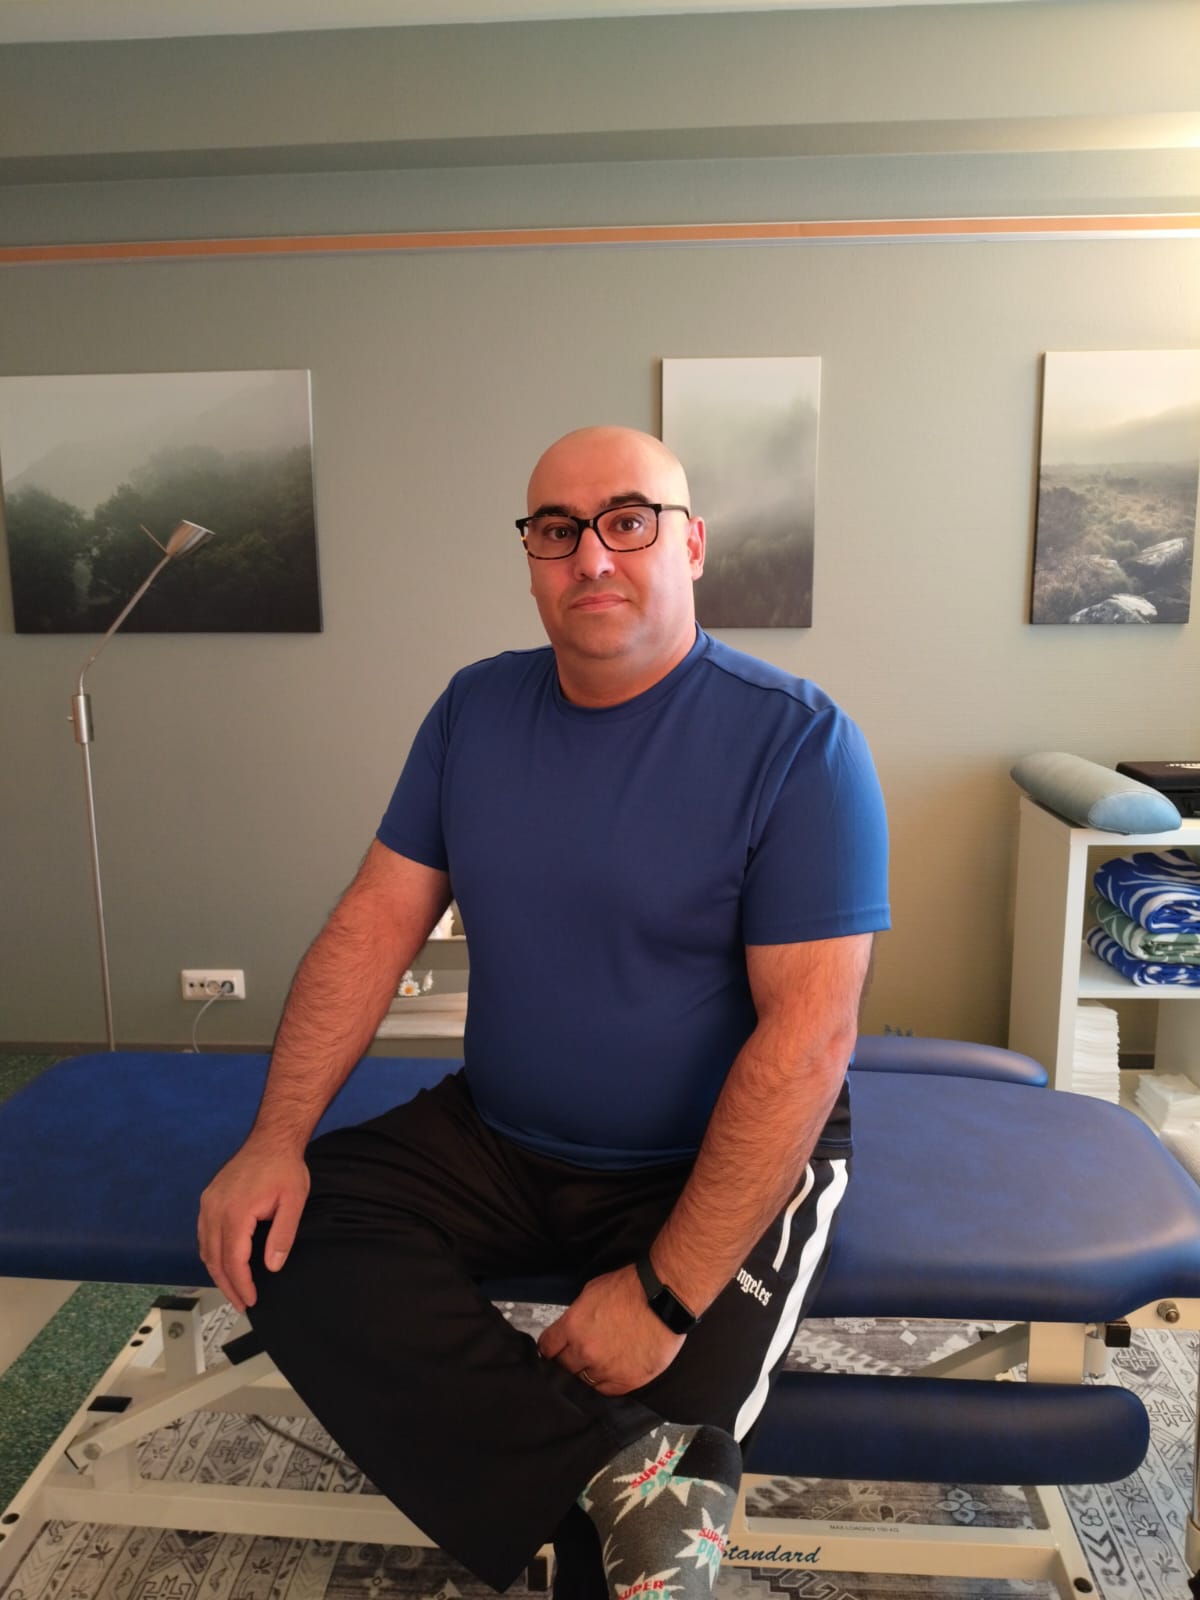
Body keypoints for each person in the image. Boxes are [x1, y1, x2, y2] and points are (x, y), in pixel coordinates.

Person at [198, 425, 890, 1600]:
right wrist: (274, 1139)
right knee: (285, 1231)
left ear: (691, 545)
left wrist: (665, 1294)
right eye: (558, 530)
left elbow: (809, 1040)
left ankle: (603, 1504)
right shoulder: (474, 711)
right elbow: (373, 924)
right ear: (531, 557)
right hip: (505, 1135)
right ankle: (623, 1475)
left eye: (628, 521)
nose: (593, 556)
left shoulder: (800, 743)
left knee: (607, 1567)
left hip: (722, 1162)